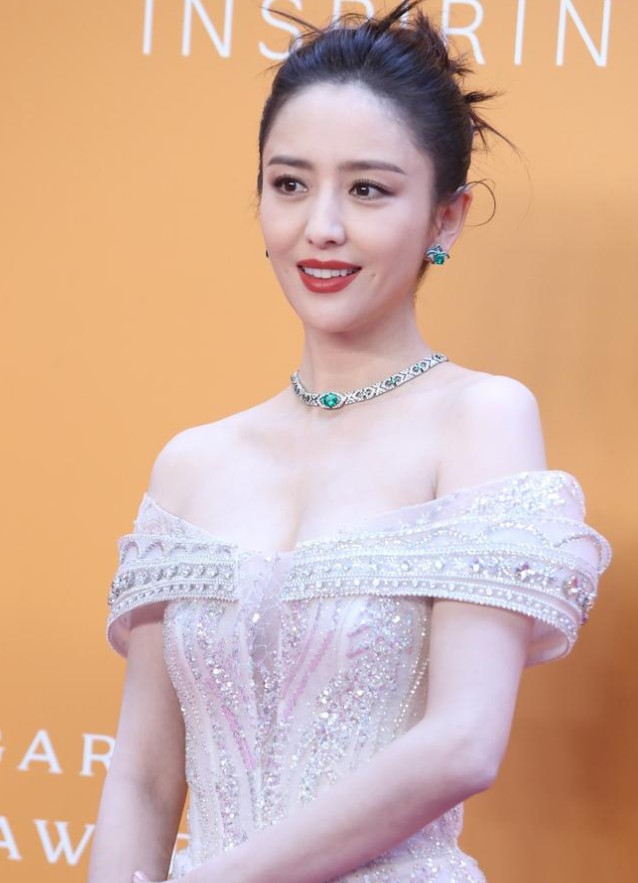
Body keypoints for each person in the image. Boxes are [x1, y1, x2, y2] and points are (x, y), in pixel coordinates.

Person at [88, 2, 611, 881]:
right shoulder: (191, 465)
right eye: (290, 184)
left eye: (368, 189)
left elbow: (462, 743)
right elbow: (142, 776)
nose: (320, 227)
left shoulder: (481, 419)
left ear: (446, 218)